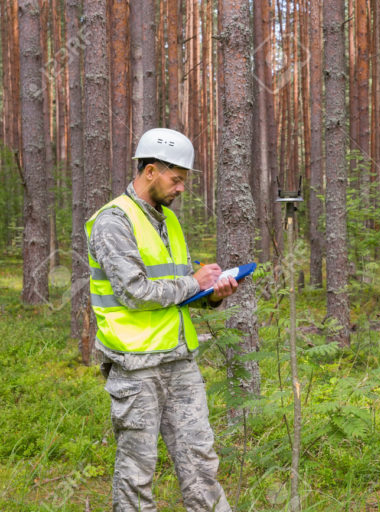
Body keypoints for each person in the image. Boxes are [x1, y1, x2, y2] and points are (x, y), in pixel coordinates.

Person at [86, 128, 235, 511]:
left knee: (201, 463)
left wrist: (211, 294)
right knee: (137, 472)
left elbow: (179, 294)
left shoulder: (167, 220)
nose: (181, 188)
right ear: (150, 170)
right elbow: (135, 293)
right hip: (136, 367)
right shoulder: (113, 221)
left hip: (179, 361)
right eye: (176, 179)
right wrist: (192, 281)